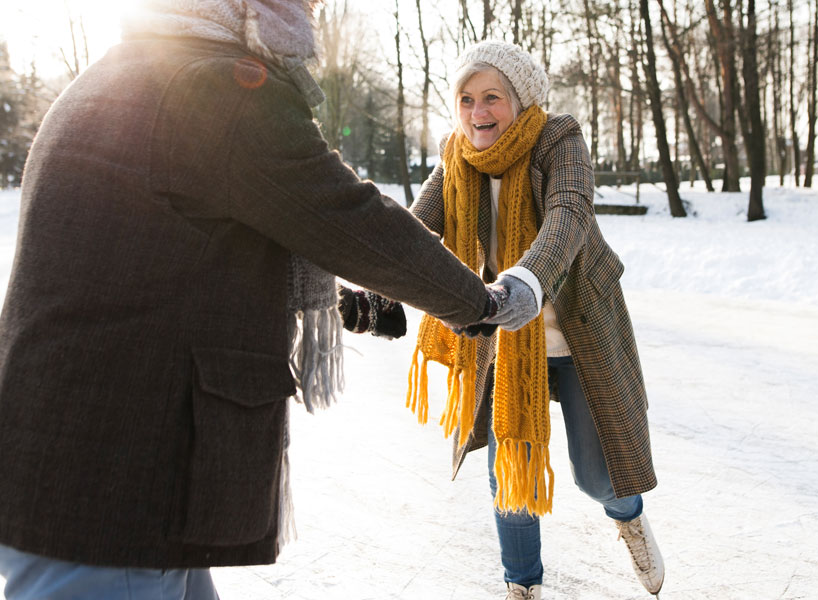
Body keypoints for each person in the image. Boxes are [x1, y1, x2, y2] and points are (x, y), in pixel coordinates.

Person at [0, 2, 516, 599]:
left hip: (82, 457)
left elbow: (197, 246)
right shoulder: (219, 86)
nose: (308, 16)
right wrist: (480, 301)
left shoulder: (120, 71)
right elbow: (347, 217)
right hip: (117, 480)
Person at [405, 40, 664, 599]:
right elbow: (414, 233)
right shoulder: (456, 155)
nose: (479, 113)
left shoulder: (558, 138)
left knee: (600, 477)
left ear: (520, 99)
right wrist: (373, 288)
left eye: (492, 97)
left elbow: (570, 214)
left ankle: (628, 514)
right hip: (503, 337)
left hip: (573, 330)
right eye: (467, 99)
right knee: (510, 479)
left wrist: (525, 279)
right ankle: (522, 585)